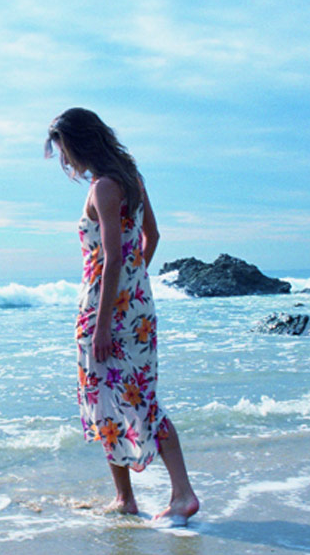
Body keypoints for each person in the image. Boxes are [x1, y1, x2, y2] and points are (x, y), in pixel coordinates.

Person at [45, 108, 199, 525]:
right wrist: (136, 281)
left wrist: (102, 323)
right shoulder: (131, 178)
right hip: (136, 307)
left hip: (105, 309)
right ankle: (126, 497)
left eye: (65, 152)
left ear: (78, 145)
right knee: (130, 397)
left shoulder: (103, 187)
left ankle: (178, 494)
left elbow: (112, 259)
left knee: (113, 400)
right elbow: (153, 236)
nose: (66, 162)